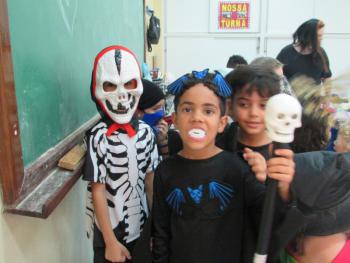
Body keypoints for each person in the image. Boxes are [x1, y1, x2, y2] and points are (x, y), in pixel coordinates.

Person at [152, 70, 294, 263]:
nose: (197, 118)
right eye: (187, 109)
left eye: (208, 111)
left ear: (222, 123)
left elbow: (270, 219)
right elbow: (160, 232)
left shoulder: (238, 168)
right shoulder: (165, 170)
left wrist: (280, 186)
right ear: (174, 119)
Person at [83, 45, 159, 263]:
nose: (122, 94)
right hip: (110, 233)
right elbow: (97, 189)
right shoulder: (99, 136)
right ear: (97, 90)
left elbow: (151, 180)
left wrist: (155, 228)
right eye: (110, 86)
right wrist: (109, 242)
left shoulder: (146, 132)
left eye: (129, 84)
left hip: (143, 230)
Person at [276, 18, 332, 85]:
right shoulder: (286, 52)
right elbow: (274, 77)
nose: (321, 38)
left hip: (315, 95)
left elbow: (327, 77)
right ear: (307, 36)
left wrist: (327, 95)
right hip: (290, 95)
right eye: (318, 36)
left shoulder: (320, 53)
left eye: (322, 35)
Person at [138, 79, 169, 157]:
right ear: (138, 110)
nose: (161, 114)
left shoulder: (168, 135)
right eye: (155, 108)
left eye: (162, 108)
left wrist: (162, 141)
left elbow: (167, 165)